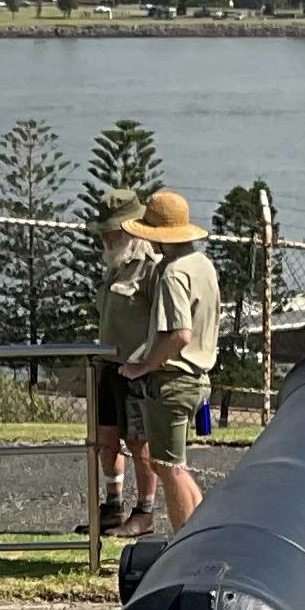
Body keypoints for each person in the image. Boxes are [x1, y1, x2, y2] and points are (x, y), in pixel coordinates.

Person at [109, 186, 221, 531]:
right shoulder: (202, 265)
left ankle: (186, 541)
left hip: (174, 379)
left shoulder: (173, 274)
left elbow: (179, 334)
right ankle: (197, 533)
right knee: (169, 465)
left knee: (170, 467)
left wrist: (144, 366)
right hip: (199, 376)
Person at [88, 196, 158, 533]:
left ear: (131, 230)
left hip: (137, 369)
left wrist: (150, 363)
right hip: (109, 366)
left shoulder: (151, 268)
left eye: (111, 231)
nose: (105, 238)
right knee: (107, 438)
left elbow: (164, 321)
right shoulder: (115, 265)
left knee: (138, 441)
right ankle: (113, 504)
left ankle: (145, 510)